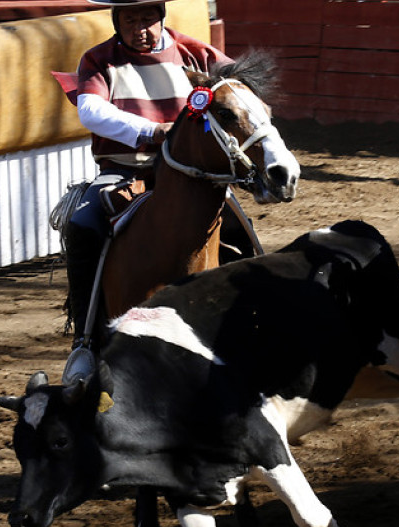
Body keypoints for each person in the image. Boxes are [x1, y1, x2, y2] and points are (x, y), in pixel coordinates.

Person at [63, 0, 230, 380]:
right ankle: (85, 341)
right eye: (130, 19)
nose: (141, 27)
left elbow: (238, 89)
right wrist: (153, 132)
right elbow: (90, 111)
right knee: (82, 224)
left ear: (161, 18)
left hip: (193, 175)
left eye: (148, 18)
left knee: (238, 224)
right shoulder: (97, 60)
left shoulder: (196, 52)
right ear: (117, 21)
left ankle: (247, 323)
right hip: (124, 172)